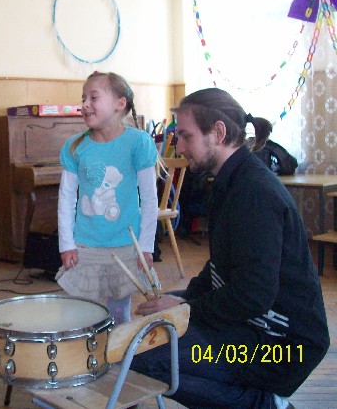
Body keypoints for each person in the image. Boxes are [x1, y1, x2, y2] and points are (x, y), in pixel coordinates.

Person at [130, 88, 329, 408]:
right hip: (252, 323)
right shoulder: (229, 181)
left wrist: (187, 308)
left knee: (145, 360)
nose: (179, 147)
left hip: (280, 348)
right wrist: (184, 298)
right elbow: (220, 267)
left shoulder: (254, 194)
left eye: (186, 136)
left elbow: (253, 296)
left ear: (218, 133)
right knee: (147, 332)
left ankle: (264, 404)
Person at [56, 71, 160, 324]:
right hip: (86, 246)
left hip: (125, 245)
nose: (85, 104)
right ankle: (89, 349)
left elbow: (149, 199)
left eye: (93, 98)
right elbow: (66, 198)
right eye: (83, 99)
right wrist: (66, 244)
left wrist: (146, 246)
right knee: (82, 313)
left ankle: (120, 350)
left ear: (119, 103)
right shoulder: (75, 146)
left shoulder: (138, 142)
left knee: (119, 312)